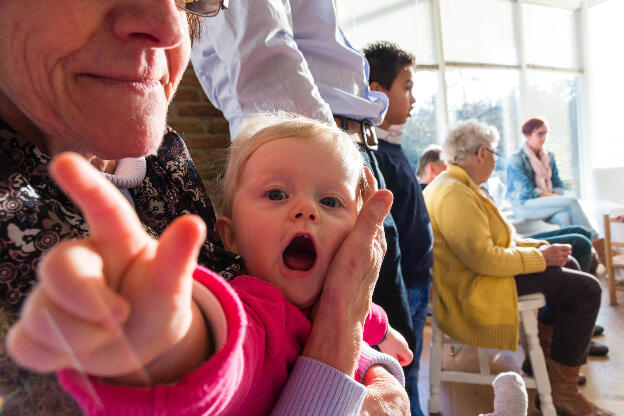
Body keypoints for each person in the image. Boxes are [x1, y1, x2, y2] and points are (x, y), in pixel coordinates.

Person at [0, 1, 408, 414]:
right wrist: (165, 337)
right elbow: (226, 345)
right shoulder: (259, 307)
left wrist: (378, 354)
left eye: (189, 0)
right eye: (276, 195)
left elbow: (368, 327)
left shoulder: (163, 156)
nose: (170, 29)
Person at [191, 0, 417, 405]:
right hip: (314, 139)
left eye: (328, 203)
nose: (306, 209)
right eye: (276, 195)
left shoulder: (323, 294)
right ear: (230, 235)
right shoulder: (251, 313)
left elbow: (362, 314)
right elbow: (216, 355)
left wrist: (381, 334)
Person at [423, 119, 613, 416]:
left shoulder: (459, 185)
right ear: (481, 153)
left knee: (571, 262)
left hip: (480, 278)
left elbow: (501, 242)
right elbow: (484, 258)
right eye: (495, 155)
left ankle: (547, 368)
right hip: (474, 287)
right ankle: (564, 393)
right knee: (586, 289)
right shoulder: (454, 193)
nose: (496, 163)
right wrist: (541, 258)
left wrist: (540, 249)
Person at [363, 40, 433, 416]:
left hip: (420, 280)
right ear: (378, 93)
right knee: (407, 369)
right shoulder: (374, 157)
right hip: (405, 285)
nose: (413, 98)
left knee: (415, 362)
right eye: (406, 87)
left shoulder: (394, 147)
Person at [506, 117, 599, 240]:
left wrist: (554, 196)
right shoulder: (516, 158)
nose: (544, 137)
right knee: (571, 201)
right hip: (524, 205)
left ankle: (574, 255)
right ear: (527, 135)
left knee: (565, 217)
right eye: (540, 133)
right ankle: (595, 240)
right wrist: (552, 198)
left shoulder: (549, 156)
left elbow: (558, 183)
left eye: (546, 133)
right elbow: (526, 190)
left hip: (546, 202)